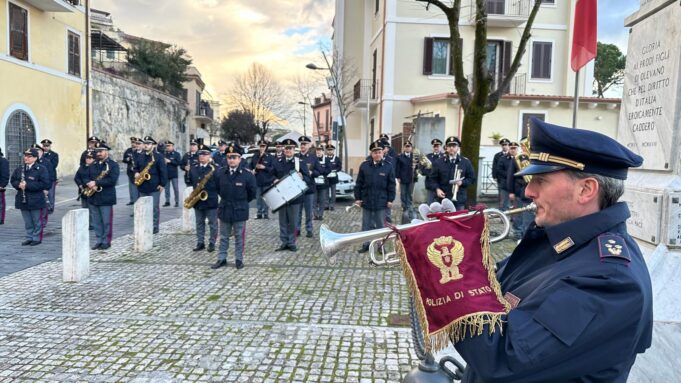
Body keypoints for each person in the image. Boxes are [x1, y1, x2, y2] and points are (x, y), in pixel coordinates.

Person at [449, 118, 654, 382]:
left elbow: (502, 356)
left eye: (541, 180)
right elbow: (490, 287)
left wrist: (444, 270)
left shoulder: (609, 280)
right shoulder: (561, 239)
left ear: (586, 190)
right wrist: (456, 247)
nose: (529, 191)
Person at [214, 143, 256, 269]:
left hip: (239, 209)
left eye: (234, 157)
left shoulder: (247, 175)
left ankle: (239, 259)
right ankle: (222, 258)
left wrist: (241, 201)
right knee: (224, 236)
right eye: (229, 157)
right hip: (225, 208)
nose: (231, 160)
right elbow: (218, 189)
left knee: (238, 236)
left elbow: (252, 193)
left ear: (240, 159)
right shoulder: (220, 173)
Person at [355, 140, 396, 253]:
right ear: (371, 154)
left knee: (380, 226)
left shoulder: (388, 167)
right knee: (366, 224)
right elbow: (359, 183)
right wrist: (358, 198)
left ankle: (380, 246)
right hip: (367, 200)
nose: (377, 154)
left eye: (379, 152)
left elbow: (391, 184)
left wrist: (390, 199)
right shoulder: (364, 166)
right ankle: (366, 244)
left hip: (381, 201)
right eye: (375, 152)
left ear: (383, 153)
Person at [273, 138, 311, 252]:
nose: (288, 150)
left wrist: (302, 177)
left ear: (294, 149)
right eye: (286, 148)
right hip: (282, 196)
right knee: (283, 220)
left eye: (290, 148)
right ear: (284, 149)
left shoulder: (300, 162)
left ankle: (291, 242)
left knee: (293, 221)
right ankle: (284, 241)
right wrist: (274, 179)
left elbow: (308, 179)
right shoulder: (278, 162)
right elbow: (271, 175)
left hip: (295, 197)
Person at [10, 148, 50, 245]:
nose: (26, 158)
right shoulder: (20, 169)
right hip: (23, 199)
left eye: (29, 156)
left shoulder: (41, 169)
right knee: (27, 221)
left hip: (36, 199)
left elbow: (45, 184)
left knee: (37, 220)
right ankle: (29, 237)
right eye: (25, 156)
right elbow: (13, 180)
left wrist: (28, 185)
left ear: (35, 158)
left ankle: (36, 238)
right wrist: (18, 185)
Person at [426, 136, 476, 211]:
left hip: (459, 199)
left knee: (458, 220)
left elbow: (472, 179)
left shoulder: (465, 162)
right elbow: (432, 179)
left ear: (458, 147)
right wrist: (437, 189)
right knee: (444, 222)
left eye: (454, 146)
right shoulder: (439, 162)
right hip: (443, 198)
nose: (451, 148)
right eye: (449, 146)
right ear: (446, 147)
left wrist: (462, 182)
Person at [87, 142, 120, 250]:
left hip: (106, 196)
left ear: (106, 152)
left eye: (101, 151)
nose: (98, 153)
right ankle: (99, 240)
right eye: (97, 151)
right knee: (96, 222)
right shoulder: (93, 164)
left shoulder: (113, 165)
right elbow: (85, 176)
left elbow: (112, 180)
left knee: (106, 221)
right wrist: (88, 183)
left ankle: (106, 241)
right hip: (93, 197)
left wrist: (96, 183)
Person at [134, 136, 167, 234]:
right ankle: (145, 224)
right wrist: (136, 173)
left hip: (154, 186)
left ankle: (154, 226)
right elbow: (135, 167)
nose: (146, 145)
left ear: (153, 145)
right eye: (145, 144)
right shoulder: (140, 156)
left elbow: (163, 172)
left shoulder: (158, 156)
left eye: (148, 144)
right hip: (142, 186)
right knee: (143, 206)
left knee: (154, 207)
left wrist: (162, 184)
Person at [189, 149, 219, 253]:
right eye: (200, 155)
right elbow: (188, 180)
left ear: (209, 156)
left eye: (204, 155)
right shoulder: (194, 168)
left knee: (212, 223)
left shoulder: (215, 168)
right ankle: (200, 242)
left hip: (210, 199)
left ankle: (212, 242)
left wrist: (205, 187)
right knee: (199, 223)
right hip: (198, 200)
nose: (202, 157)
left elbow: (219, 184)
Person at [506, 141, 534, 239]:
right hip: (522, 191)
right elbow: (510, 176)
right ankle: (519, 233)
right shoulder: (518, 158)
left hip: (534, 191)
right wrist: (511, 191)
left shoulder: (536, 158)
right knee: (520, 214)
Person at [296, 136, 321, 238]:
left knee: (308, 211)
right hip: (297, 189)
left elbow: (319, 171)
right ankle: (297, 229)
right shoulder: (296, 157)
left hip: (309, 188)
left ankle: (309, 229)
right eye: (301, 144)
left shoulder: (313, 158)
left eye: (305, 144)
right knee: (297, 211)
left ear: (308, 145)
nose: (303, 146)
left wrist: (312, 172)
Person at [31, 144, 55, 238]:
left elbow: (51, 176)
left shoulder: (46, 162)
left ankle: (43, 221)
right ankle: (36, 221)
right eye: (35, 151)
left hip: (44, 186)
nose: (37, 153)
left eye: (38, 151)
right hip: (33, 187)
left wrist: (47, 188)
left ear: (42, 152)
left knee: (44, 204)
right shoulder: (31, 162)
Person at [249, 140, 274, 219]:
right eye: (261, 146)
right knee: (258, 198)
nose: (262, 148)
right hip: (258, 180)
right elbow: (250, 166)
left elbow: (273, 169)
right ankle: (259, 213)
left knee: (266, 198)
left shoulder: (270, 157)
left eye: (263, 146)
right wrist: (251, 170)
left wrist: (264, 167)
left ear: (266, 147)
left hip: (267, 180)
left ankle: (266, 213)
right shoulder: (255, 156)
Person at [395, 141, 416, 222]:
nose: (407, 148)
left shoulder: (414, 157)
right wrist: (398, 177)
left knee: (409, 193)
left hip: (411, 178)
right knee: (403, 193)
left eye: (409, 146)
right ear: (404, 148)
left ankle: (409, 206)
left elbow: (417, 167)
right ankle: (404, 206)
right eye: (406, 146)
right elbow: (397, 168)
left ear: (411, 148)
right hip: (403, 178)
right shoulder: (400, 157)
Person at [75, 150, 96, 230]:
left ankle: (92, 223)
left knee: (92, 208)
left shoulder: (95, 167)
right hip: (83, 190)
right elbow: (77, 177)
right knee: (84, 207)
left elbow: (94, 178)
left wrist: (87, 183)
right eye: (87, 158)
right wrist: (80, 185)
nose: (88, 159)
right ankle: (85, 223)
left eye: (90, 158)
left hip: (92, 190)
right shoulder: (82, 167)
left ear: (94, 159)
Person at [492, 138, 511, 210]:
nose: (504, 146)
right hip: (501, 179)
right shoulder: (497, 155)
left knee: (511, 196)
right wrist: (494, 176)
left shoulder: (512, 155)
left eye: (506, 145)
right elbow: (494, 166)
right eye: (503, 145)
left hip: (511, 179)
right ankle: (501, 210)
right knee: (501, 195)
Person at [40, 139, 59, 213]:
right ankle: (43, 207)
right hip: (41, 177)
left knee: (50, 193)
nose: (46, 147)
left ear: (50, 146)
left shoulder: (54, 155)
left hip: (50, 176)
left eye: (47, 146)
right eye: (44, 146)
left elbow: (54, 165)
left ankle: (50, 207)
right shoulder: (40, 154)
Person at [423, 138, 443, 204]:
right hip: (430, 184)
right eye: (434, 146)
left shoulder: (444, 157)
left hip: (441, 185)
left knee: (441, 205)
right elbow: (422, 169)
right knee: (430, 203)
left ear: (440, 147)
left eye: (437, 146)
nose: (436, 148)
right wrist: (430, 173)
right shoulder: (427, 157)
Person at [313, 146, 331, 220]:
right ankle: (315, 215)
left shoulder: (326, 159)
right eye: (317, 150)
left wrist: (322, 172)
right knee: (314, 200)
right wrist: (317, 172)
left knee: (322, 200)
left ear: (323, 151)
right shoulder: (313, 158)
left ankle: (320, 215)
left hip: (323, 183)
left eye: (320, 150)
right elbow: (310, 169)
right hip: (314, 182)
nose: (318, 152)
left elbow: (329, 169)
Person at [122, 137, 141, 205]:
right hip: (130, 171)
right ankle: (132, 200)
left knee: (138, 187)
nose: (133, 144)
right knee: (131, 187)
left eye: (134, 143)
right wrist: (127, 159)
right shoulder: (128, 150)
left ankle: (138, 199)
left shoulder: (139, 151)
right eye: (132, 142)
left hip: (138, 171)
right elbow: (124, 159)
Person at [163, 141, 182, 207]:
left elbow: (179, 163)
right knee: (166, 189)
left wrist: (170, 161)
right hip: (166, 174)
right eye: (167, 146)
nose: (167, 147)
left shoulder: (176, 154)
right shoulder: (164, 154)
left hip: (174, 174)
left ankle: (177, 201)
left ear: (172, 146)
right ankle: (167, 201)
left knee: (175, 188)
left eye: (169, 146)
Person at [325, 144, 342, 211]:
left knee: (333, 192)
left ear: (333, 150)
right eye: (328, 150)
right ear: (326, 150)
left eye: (331, 150)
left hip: (333, 178)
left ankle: (332, 205)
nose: (329, 151)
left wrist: (335, 170)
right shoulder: (324, 158)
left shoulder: (337, 158)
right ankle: (326, 205)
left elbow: (339, 167)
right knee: (326, 192)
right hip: (326, 178)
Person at [0, 147, 9, 224]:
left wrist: (2, 185)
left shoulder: (3, 161)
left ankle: (0, 219)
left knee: (0, 204)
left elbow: (5, 174)